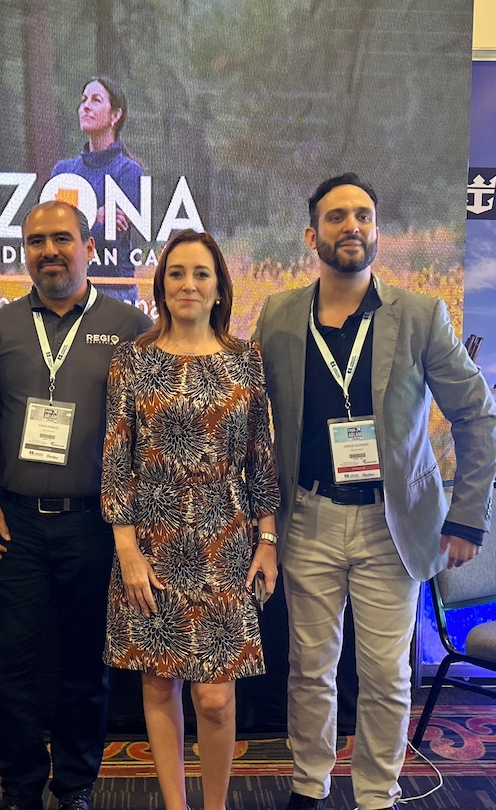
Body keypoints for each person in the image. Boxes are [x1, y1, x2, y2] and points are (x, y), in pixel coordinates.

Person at [253, 174, 496, 810]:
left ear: (377, 231)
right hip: (308, 515)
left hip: (392, 523)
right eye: (336, 217)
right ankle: (308, 786)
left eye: (362, 215)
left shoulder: (420, 315)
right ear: (311, 235)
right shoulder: (279, 314)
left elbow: (478, 415)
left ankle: (375, 795)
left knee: (386, 674)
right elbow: (251, 418)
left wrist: (467, 518)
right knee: (310, 669)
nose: (351, 227)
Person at [0, 200, 152, 810]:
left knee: (85, 668)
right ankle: (20, 788)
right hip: (13, 523)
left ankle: (74, 785)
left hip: (95, 524)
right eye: (36, 241)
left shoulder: (129, 326)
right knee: (10, 668)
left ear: (89, 248)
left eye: (63, 239)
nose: (50, 251)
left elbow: (146, 430)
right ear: (24, 251)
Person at [101, 229, 280, 810]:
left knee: (215, 699)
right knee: (159, 683)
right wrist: (127, 551)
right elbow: (117, 459)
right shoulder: (132, 360)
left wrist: (267, 539)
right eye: (176, 273)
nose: (188, 284)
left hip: (226, 539)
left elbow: (261, 458)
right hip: (151, 542)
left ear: (219, 287)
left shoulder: (246, 360)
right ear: (161, 286)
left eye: (201, 273)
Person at [51, 76, 144, 305]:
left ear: (115, 115)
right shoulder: (64, 172)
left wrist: (73, 220)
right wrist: (95, 216)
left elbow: (108, 240)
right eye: (83, 100)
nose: (86, 106)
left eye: (96, 100)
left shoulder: (129, 172)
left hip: (113, 293)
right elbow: (51, 237)